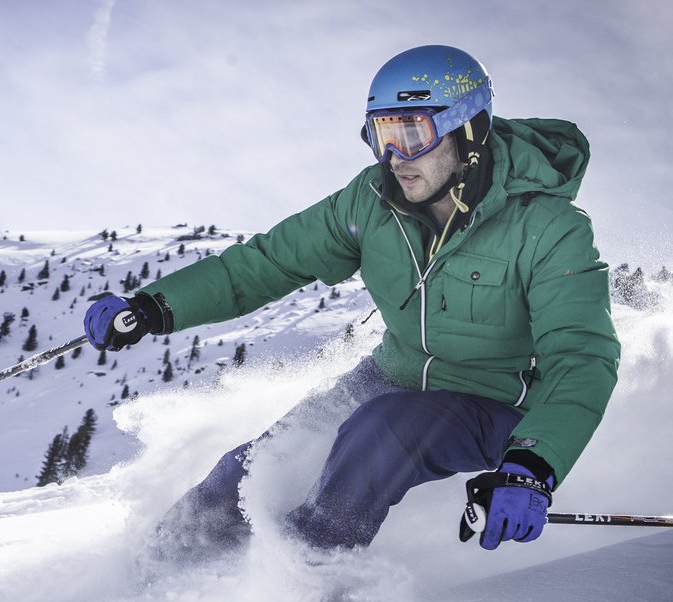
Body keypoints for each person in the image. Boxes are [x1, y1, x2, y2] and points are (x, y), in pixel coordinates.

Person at [84, 44, 620, 556]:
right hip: (393, 374)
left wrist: (533, 465)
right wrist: (156, 306)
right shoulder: (371, 200)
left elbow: (580, 359)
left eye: (412, 133)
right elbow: (269, 262)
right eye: (381, 134)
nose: (394, 157)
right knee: (254, 465)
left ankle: (295, 582)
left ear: (469, 130)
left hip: (498, 405)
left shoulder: (549, 228)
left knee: (383, 431)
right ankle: (151, 575)